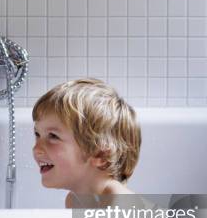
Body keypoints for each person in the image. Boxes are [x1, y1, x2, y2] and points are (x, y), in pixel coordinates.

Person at [32, 78, 141, 208]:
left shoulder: (121, 202)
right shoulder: (74, 200)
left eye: (53, 136)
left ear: (100, 155)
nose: (36, 149)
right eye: (37, 134)